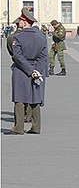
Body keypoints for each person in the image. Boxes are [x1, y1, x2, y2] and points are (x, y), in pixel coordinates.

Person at [9, 7, 48, 135]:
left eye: (21, 20)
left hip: (21, 70)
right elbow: (43, 56)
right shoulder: (41, 38)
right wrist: (37, 71)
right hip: (36, 68)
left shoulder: (18, 38)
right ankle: (36, 127)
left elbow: (18, 57)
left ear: (25, 23)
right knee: (35, 97)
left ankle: (19, 127)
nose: (19, 22)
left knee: (19, 98)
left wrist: (30, 70)